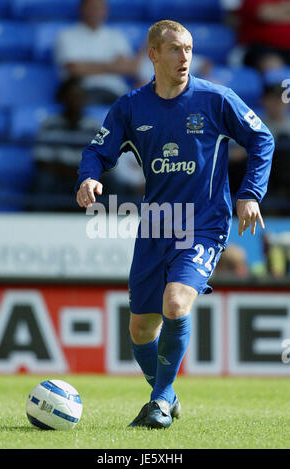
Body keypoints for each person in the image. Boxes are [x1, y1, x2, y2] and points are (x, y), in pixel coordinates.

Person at [76, 20, 274, 429]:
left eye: (188, 49)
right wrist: (89, 176)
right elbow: (97, 150)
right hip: (157, 224)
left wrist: (250, 194)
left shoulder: (216, 99)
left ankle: (161, 402)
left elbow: (262, 139)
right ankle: (166, 392)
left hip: (204, 222)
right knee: (140, 329)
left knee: (176, 303)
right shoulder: (131, 106)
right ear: (153, 55)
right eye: (174, 49)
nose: (184, 57)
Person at [54, 0, 143, 105]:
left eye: (99, 8)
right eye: (91, 7)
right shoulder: (67, 35)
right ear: (81, 9)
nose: (95, 12)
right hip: (85, 91)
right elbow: (74, 69)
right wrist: (114, 65)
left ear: (106, 10)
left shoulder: (116, 36)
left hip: (116, 91)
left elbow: (131, 68)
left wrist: (88, 66)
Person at [33, 78, 99, 209]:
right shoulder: (50, 124)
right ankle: (40, 223)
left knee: (112, 183)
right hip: (59, 176)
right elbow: (41, 161)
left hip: (85, 179)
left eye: (79, 96)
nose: (75, 101)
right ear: (63, 98)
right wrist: (71, 172)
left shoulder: (93, 126)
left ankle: (109, 224)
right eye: (72, 96)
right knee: (44, 181)